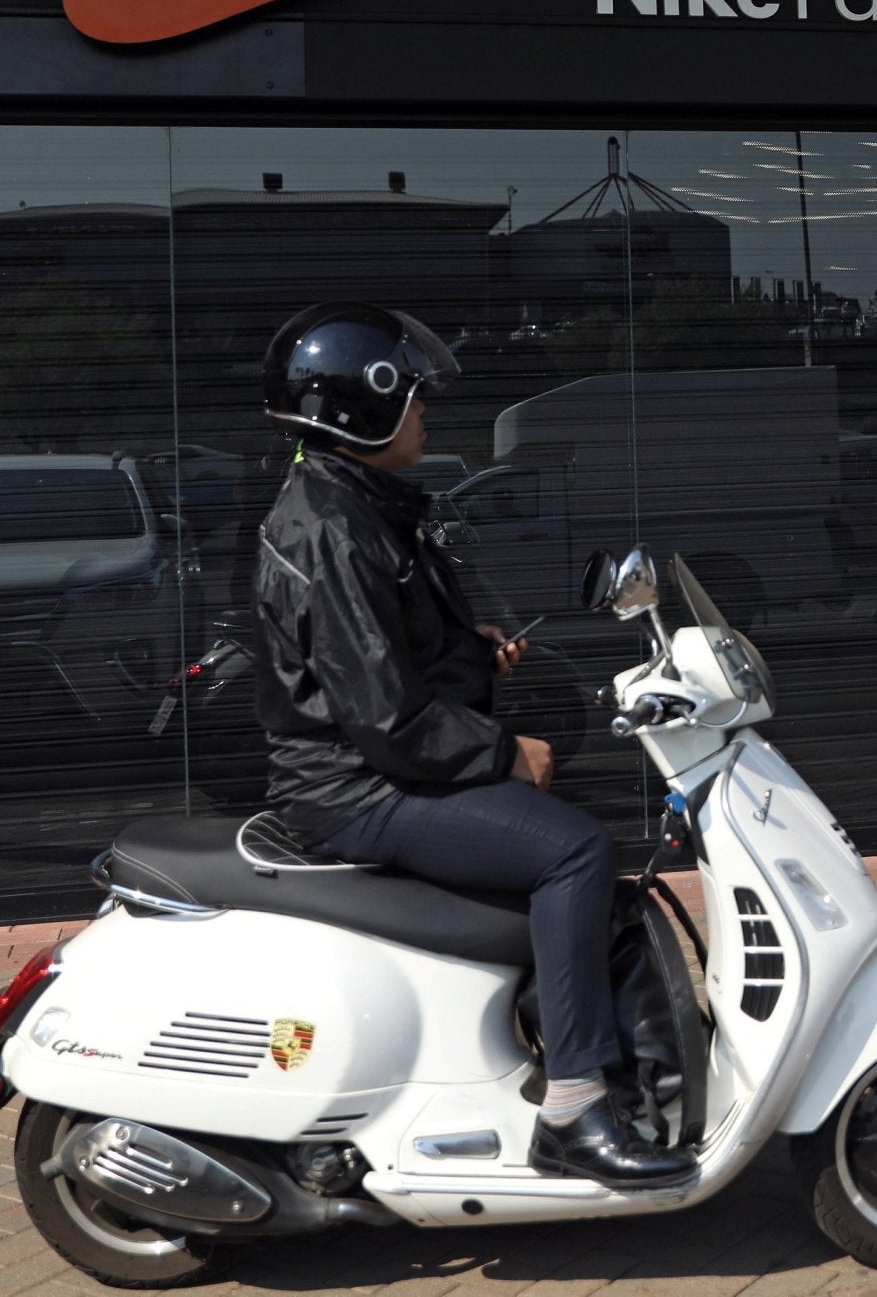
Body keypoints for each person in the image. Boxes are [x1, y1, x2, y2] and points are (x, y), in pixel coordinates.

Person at [255, 301, 693, 1187]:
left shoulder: (354, 505)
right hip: (353, 789)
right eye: (412, 397)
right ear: (360, 408)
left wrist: (469, 645)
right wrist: (504, 755)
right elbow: (386, 719)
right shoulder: (334, 527)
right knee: (576, 853)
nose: (426, 412)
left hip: (365, 769)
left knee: (565, 847)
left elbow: (380, 654)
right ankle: (573, 1106)